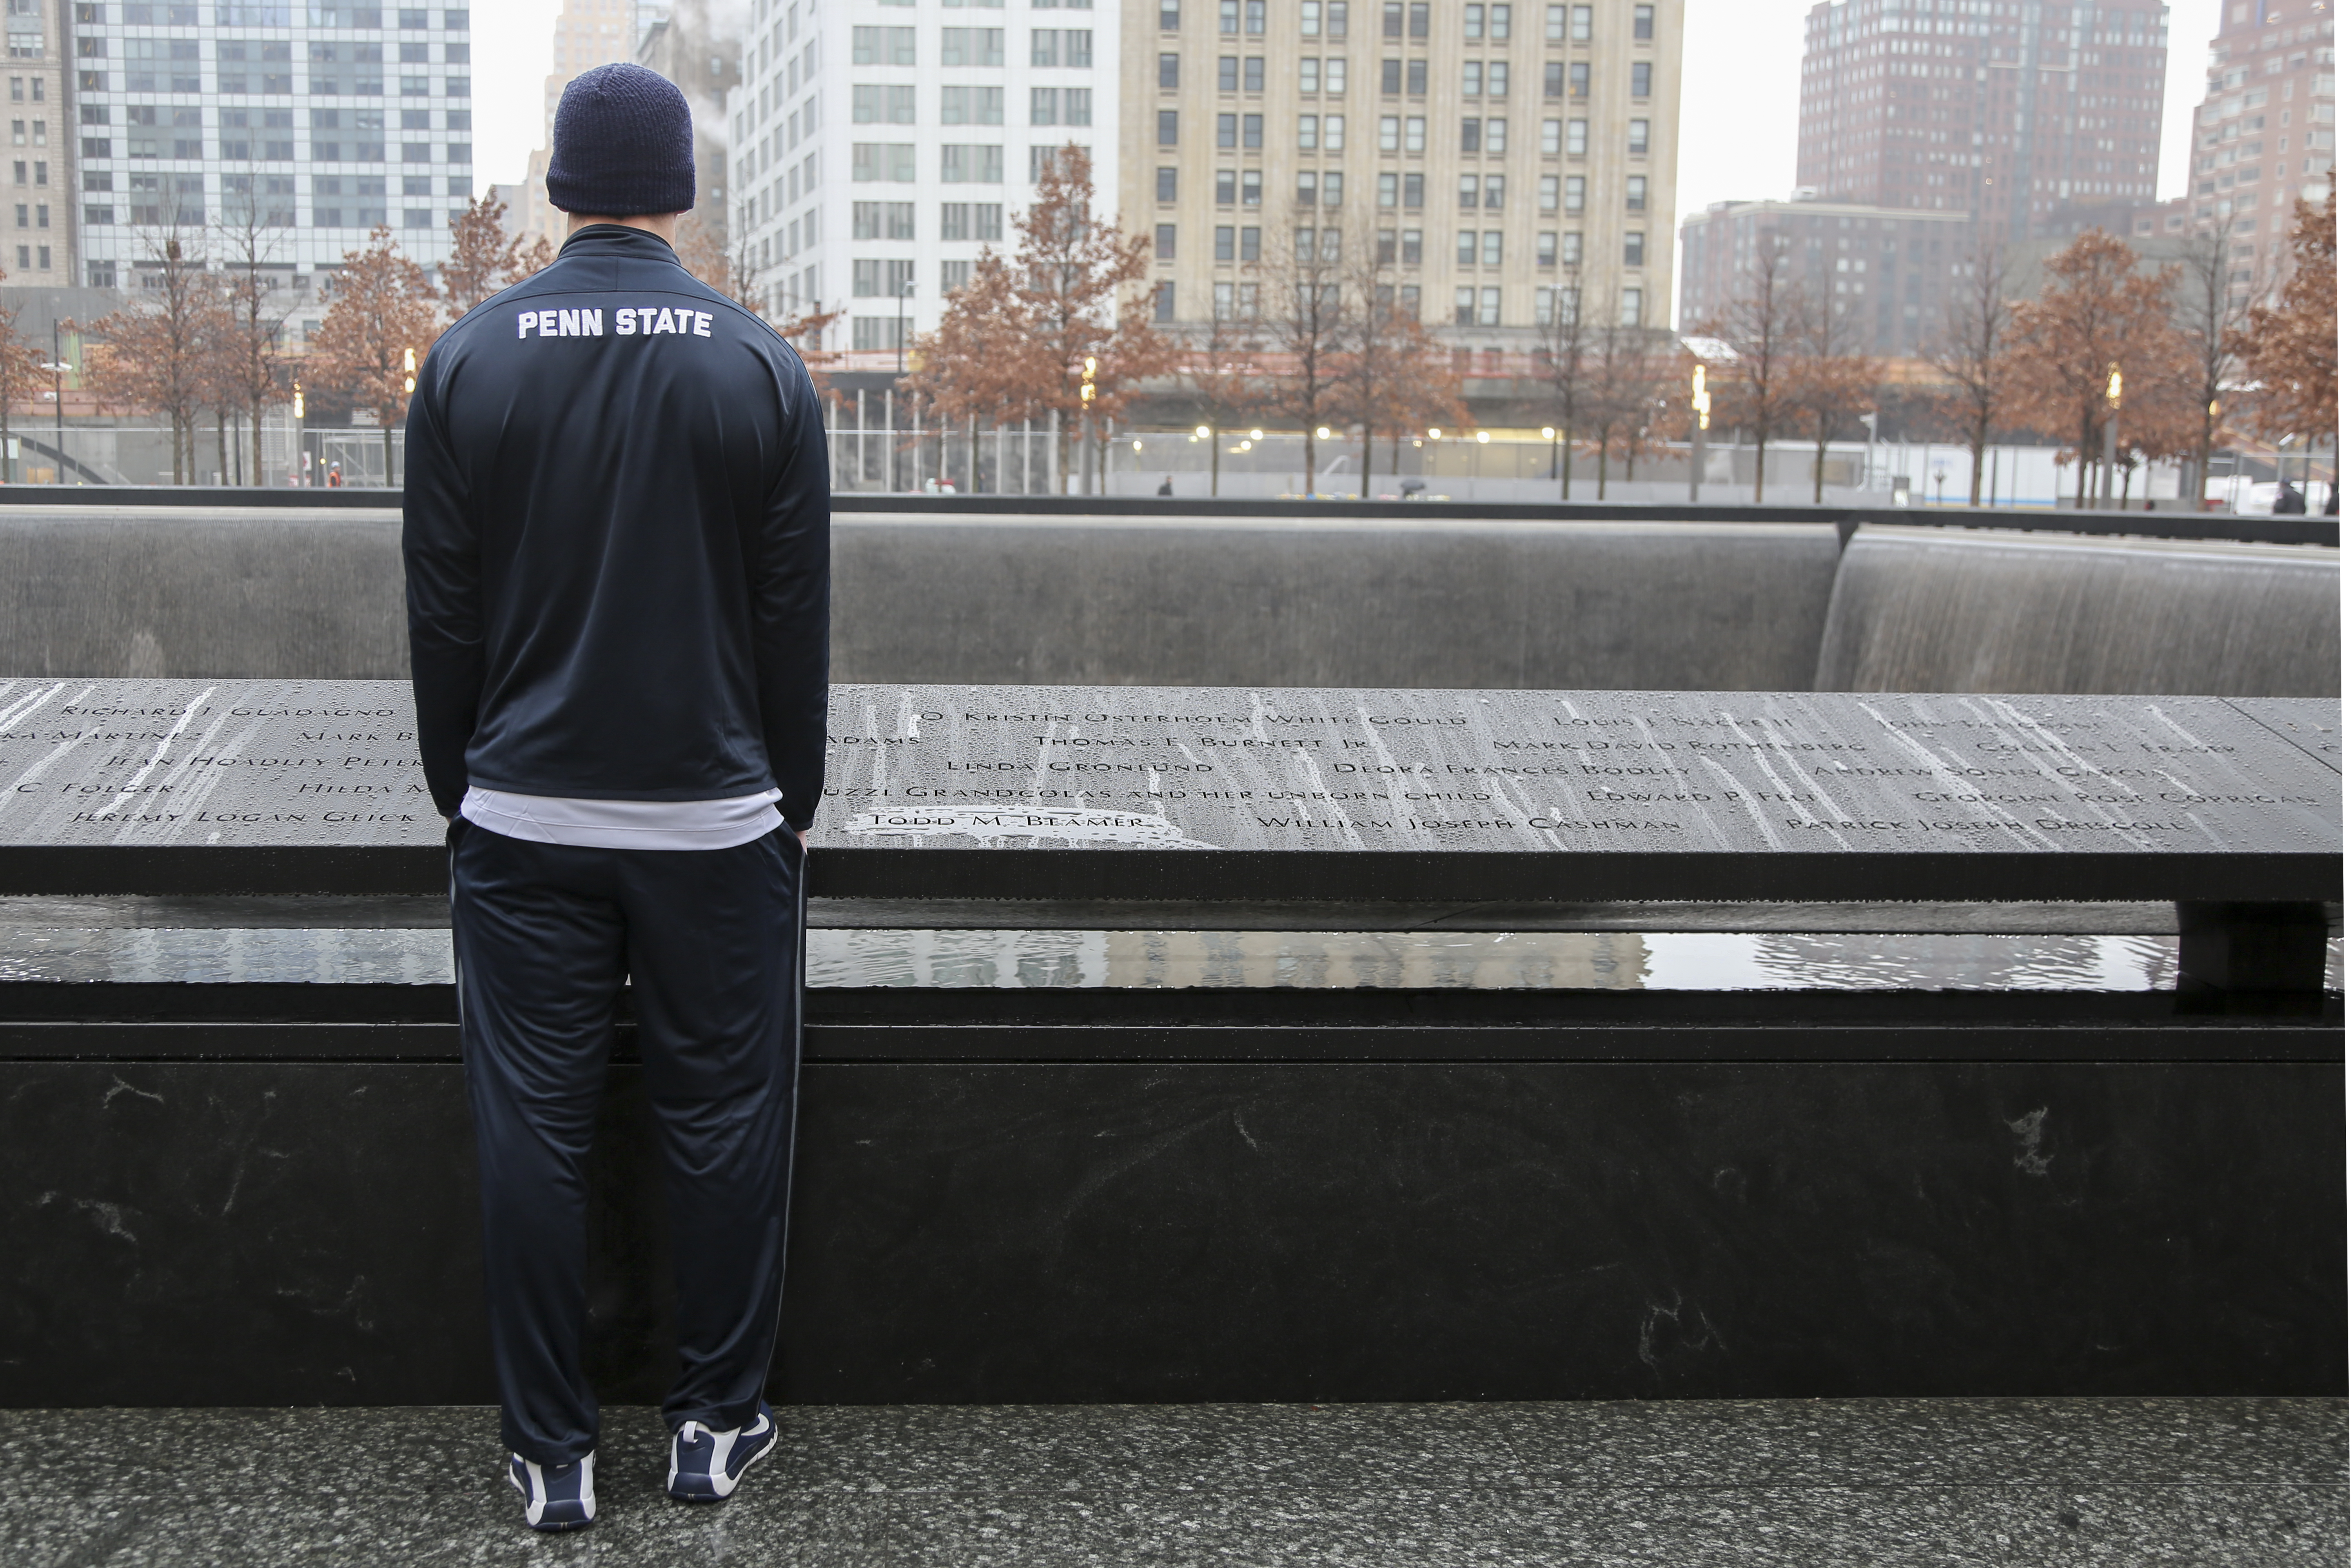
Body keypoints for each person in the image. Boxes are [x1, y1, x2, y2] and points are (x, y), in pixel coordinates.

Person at [402, 62, 830, 1533]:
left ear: (561, 186)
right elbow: (793, 622)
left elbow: (441, 616)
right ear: (679, 193)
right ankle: (714, 1421)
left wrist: (464, 789)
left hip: (524, 815)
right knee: (723, 1117)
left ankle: (551, 1450)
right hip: (715, 820)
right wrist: (788, 801)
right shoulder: (759, 364)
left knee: (532, 1123)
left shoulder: (469, 360)